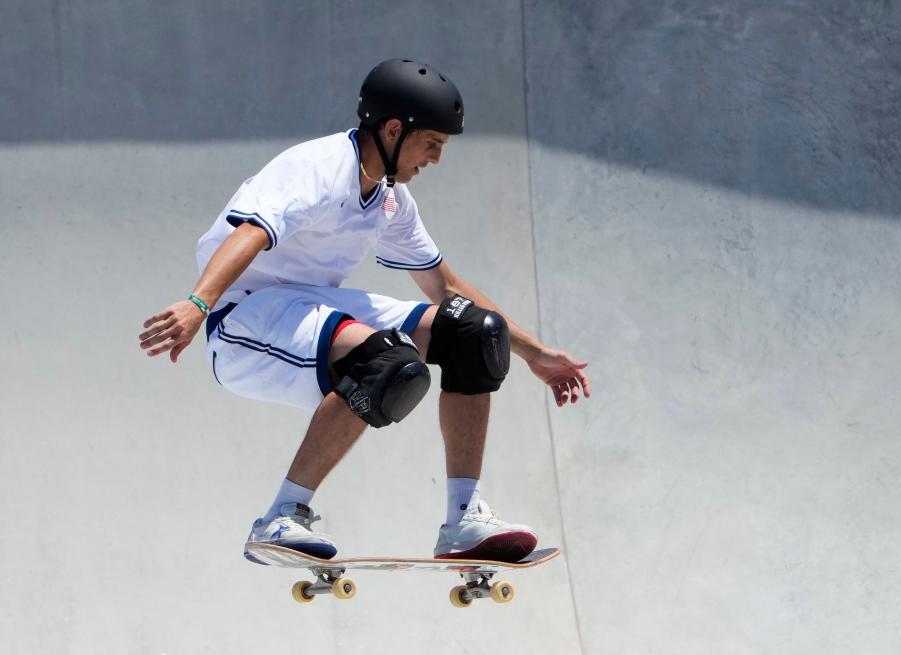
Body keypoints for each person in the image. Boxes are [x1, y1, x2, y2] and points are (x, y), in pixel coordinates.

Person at [138, 59, 590, 563]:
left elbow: (445, 287)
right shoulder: (319, 169)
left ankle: (464, 519)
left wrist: (531, 352)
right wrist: (199, 303)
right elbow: (252, 232)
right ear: (394, 130)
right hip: (243, 321)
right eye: (432, 144)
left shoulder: (390, 199)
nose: (437, 159)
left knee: (472, 331)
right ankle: (283, 516)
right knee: (389, 361)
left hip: (311, 310)